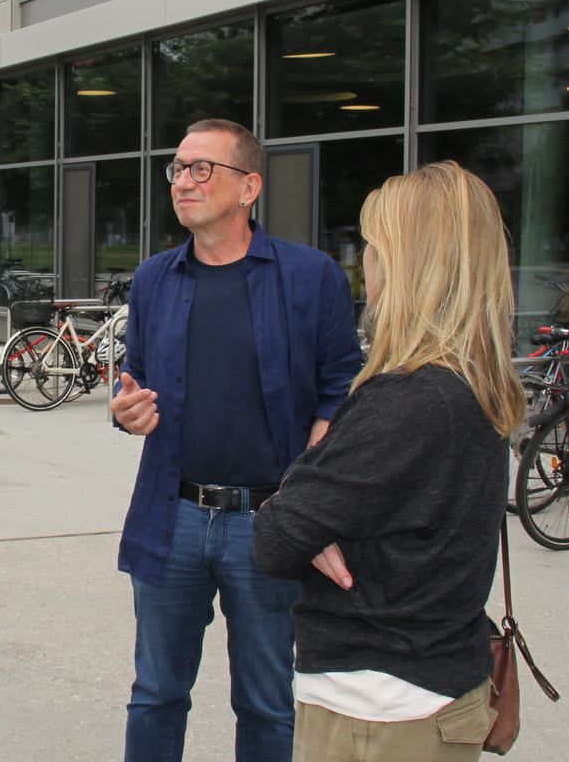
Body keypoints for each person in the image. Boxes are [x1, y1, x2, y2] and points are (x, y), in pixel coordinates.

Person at [252, 161, 526, 762]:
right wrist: (312, 511)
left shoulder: (408, 399)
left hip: (378, 704)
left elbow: (274, 539)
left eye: (371, 247)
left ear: (406, 264)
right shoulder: (470, 382)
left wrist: (297, 504)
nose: (364, 264)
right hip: (434, 682)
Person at [110, 118, 361, 762]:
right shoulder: (153, 280)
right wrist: (126, 411)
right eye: (178, 169)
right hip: (174, 517)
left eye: (202, 169)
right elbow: (131, 382)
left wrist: (309, 498)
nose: (183, 181)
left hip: (271, 521)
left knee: (267, 701)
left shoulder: (311, 277)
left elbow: (341, 389)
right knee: (156, 693)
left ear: (249, 187)